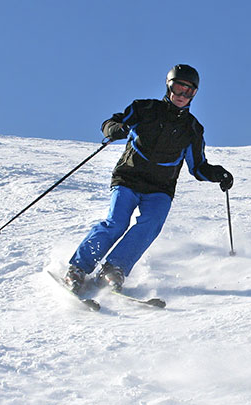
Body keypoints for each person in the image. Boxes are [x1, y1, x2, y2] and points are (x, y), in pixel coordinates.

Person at [62, 64, 234, 291]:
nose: (182, 96)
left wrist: (218, 174)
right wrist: (115, 130)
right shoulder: (144, 108)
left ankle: (113, 268)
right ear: (168, 86)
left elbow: (198, 167)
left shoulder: (192, 129)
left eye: (189, 92)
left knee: (151, 224)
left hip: (160, 188)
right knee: (117, 222)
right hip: (128, 177)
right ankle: (78, 268)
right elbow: (110, 123)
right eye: (178, 88)